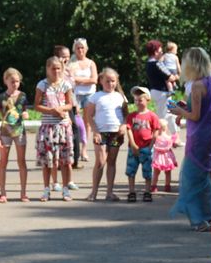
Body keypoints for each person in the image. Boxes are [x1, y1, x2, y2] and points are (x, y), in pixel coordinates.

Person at [168, 47, 211, 232]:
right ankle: (210, 217)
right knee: (202, 175)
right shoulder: (210, 81)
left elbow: (196, 115)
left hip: (199, 136)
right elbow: (200, 108)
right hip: (208, 134)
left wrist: (179, 111)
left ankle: (203, 219)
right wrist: (184, 107)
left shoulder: (198, 85)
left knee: (193, 177)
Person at [35, 56, 75, 202]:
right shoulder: (42, 85)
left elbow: (70, 104)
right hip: (48, 128)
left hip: (63, 127)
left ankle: (65, 190)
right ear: (47, 69)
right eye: (53, 68)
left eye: (58, 68)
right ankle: (46, 189)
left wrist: (60, 108)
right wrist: (51, 110)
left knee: (64, 161)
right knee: (47, 161)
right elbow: (37, 105)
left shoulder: (66, 85)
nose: (56, 71)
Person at [85, 68, 128, 202]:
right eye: (107, 81)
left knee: (112, 161)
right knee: (101, 161)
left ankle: (109, 192)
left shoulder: (120, 96)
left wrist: (123, 125)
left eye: (113, 81)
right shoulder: (96, 96)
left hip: (116, 133)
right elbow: (88, 116)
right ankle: (94, 192)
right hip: (101, 133)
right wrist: (95, 131)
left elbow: (126, 115)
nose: (110, 83)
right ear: (101, 81)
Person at [0, 68, 30, 203]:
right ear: (5, 81)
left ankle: (23, 192)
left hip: (19, 131)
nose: (15, 84)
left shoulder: (23, 96)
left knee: (22, 161)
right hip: (5, 132)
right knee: (3, 161)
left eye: (17, 81)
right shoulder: (0, 98)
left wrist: (26, 114)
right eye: (12, 81)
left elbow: (24, 111)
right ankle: (3, 192)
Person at [124, 86, 160, 202]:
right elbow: (128, 129)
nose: (138, 102)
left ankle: (147, 191)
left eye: (140, 100)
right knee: (131, 171)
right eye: (135, 100)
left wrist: (150, 146)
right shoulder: (131, 116)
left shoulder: (152, 116)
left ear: (147, 100)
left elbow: (155, 131)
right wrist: (133, 144)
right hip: (134, 148)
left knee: (147, 171)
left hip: (146, 148)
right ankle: (131, 191)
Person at [69, 38, 97, 163]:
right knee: (76, 122)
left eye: (82, 48)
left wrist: (79, 79)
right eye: (78, 48)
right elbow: (71, 79)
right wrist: (84, 80)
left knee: (87, 122)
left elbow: (94, 80)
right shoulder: (71, 63)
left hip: (89, 95)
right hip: (76, 95)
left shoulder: (91, 63)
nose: (80, 50)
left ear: (86, 49)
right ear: (74, 49)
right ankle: (74, 146)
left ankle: (84, 149)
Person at [146, 40, 178, 141]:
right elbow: (170, 77)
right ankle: (160, 138)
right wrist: (177, 76)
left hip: (160, 92)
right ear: (155, 52)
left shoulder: (148, 63)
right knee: (163, 116)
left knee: (171, 113)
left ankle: (175, 137)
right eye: (160, 50)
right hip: (162, 94)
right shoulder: (157, 64)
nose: (162, 52)